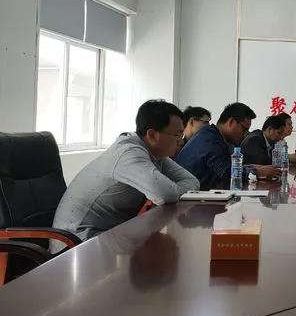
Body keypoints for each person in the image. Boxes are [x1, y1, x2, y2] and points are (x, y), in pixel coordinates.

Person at [52, 100, 200, 243]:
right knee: (160, 247)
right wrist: (173, 191)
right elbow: (165, 194)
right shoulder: (129, 153)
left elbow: (192, 182)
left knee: (165, 244)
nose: (181, 141)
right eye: (177, 135)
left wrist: (174, 191)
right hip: (77, 240)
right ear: (152, 135)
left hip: (109, 231)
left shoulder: (155, 154)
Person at [176, 102, 275, 188]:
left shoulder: (215, 136)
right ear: (231, 122)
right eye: (244, 129)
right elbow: (226, 173)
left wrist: (253, 167)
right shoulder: (210, 139)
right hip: (187, 199)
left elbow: (227, 166)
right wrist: (259, 172)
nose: (245, 134)